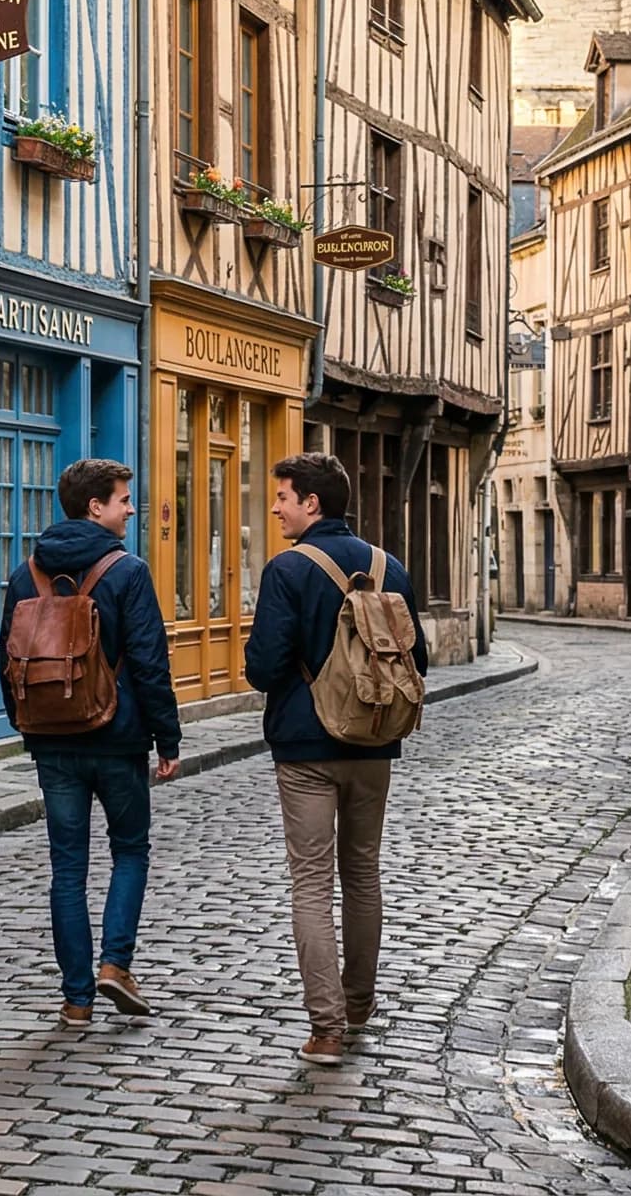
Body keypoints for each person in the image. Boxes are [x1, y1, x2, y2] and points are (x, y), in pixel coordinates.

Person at [245, 451, 429, 1065]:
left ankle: (325, 1029)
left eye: (283, 497)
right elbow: (417, 660)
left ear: (312, 503)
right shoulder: (388, 566)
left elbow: (264, 666)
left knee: (310, 882)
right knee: (363, 872)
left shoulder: (287, 570)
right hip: (374, 742)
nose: (276, 508)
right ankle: (358, 1003)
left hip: (306, 747)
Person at [0, 458, 181, 1026]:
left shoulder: (27, 574)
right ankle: (115, 963)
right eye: (123, 500)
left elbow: (7, 659)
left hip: (53, 742)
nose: (130, 510)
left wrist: (26, 723)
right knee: (130, 850)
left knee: (68, 868)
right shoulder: (128, 571)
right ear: (95, 507)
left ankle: (76, 998)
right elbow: (149, 662)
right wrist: (166, 737)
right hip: (118, 739)